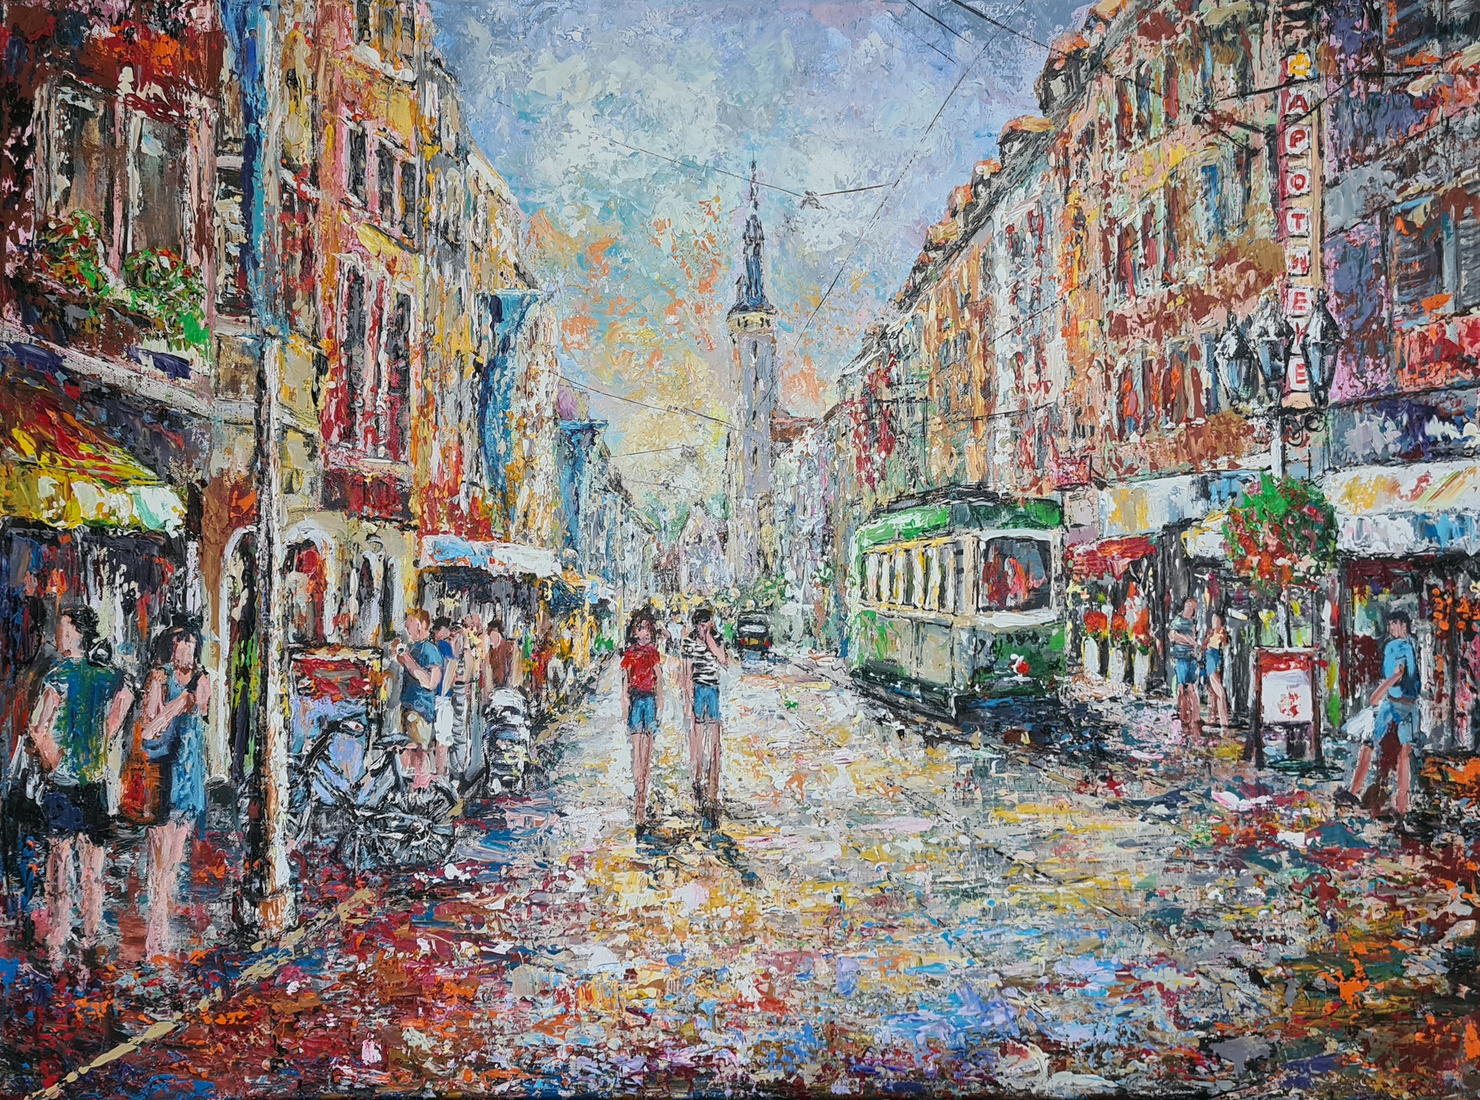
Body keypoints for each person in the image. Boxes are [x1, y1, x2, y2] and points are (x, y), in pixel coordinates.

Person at [25, 607, 134, 969]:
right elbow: (126, 699)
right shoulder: (108, 675)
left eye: (63, 629)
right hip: (95, 779)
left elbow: (37, 728)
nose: (58, 636)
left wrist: (53, 760)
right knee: (93, 867)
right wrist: (104, 738)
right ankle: (89, 936)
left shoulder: (59, 675)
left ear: (77, 634)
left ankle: (57, 943)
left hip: (64, 783)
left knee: (60, 865)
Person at [139, 620, 210, 962]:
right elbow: (148, 730)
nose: (186, 650)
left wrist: (189, 701)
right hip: (162, 771)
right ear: (171, 647)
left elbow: (202, 709)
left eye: (191, 644)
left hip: (189, 773)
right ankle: (156, 931)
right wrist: (179, 704)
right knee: (158, 857)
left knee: (175, 857)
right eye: (181, 643)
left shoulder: (202, 679)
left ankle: (162, 926)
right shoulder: (159, 678)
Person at [1338, 610, 1420, 824]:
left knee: (1394, 749)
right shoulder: (1402, 646)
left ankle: (1396, 804)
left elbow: (1398, 676)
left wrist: (1388, 685)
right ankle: (1392, 805)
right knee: (1389, 748)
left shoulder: (1401, 647)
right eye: (1390, 624)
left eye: (1394, 624)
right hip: (1401, 702)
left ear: (1404, 625)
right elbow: (1402, 677)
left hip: (1397, 702)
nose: (1391, 628)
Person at [681, 607, 729, 824]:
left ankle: (714, 785)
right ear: (696, 625)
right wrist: (687, 700)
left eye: (707, 624)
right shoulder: (689, 642)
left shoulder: (717, 639)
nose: (704, 628)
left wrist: (709, 640)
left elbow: (724, 661)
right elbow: (686, 672)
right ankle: (698, 778)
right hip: (698, 689)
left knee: (715, 738)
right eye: (701, 625)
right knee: (698, 737)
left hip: (713, 690)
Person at [620, 614, 663, 834]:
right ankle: (638, 805)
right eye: (640, 629)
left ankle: (643, 800)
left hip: (649, 702)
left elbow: (659, 680)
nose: (644, 633)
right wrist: (625, 708)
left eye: (647, 629)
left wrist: (660, 705)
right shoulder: (630, 653)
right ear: (634, 632)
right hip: (637, 702)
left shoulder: (653, 652)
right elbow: (625, 684)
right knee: (637, 755)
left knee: (647, 756)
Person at [396, 610, 444, 785]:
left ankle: (422, 787)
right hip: (408, 707)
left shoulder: (430, 650)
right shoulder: (413, 647)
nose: (407, 626)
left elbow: (430, 683)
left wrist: (408, 661)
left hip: (421, 710)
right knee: (406, 751)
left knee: (420, 752)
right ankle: (411, 788)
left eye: (411, 622)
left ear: (422, 625)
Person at [432, 617, 465, 778]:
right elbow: (452, 666)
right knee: (443, 739)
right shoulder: (444, 645)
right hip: (443, 698)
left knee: (437, 739)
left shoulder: (436, 646)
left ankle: (438, 773)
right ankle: (441, 774)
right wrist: (445, 690)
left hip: (435, 696)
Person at [1168, 597, 1202, 741]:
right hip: (1180, 657)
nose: (1189, 610)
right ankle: (1183, 715)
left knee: (1191, 688)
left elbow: (1195, 641)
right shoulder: (1177, 620)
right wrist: (1187, 639)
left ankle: (1195, 716)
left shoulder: (1192, 623)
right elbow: (1172, 637)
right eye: (1188, 606)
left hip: (1191, 658)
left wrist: (1186, 640)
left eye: (1192, 608)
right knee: (1181, 688)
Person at [1203, 612, 1231, 730]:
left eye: (1216, 620)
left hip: (1215, 663)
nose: (1214, 622)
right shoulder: (1210, 632)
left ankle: (1223, 720)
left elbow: (1225, 646)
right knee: (1212, 692)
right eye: (1213, 620)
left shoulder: (1222, 633)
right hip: (1209, 663)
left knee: (1219, 692)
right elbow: (1204, 647)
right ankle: (1213, 718)